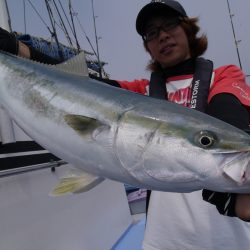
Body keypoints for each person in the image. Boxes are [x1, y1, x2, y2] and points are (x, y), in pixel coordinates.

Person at [1, 1, 250, 248]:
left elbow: (230, 118)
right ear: (147, 46)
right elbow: (81, 84)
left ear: (188, 29)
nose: (163, 36)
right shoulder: (140, 93)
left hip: (228, 239)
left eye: (170, 25)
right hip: (163, 240)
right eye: (152, 33)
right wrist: (14, 47)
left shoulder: (223, 76)